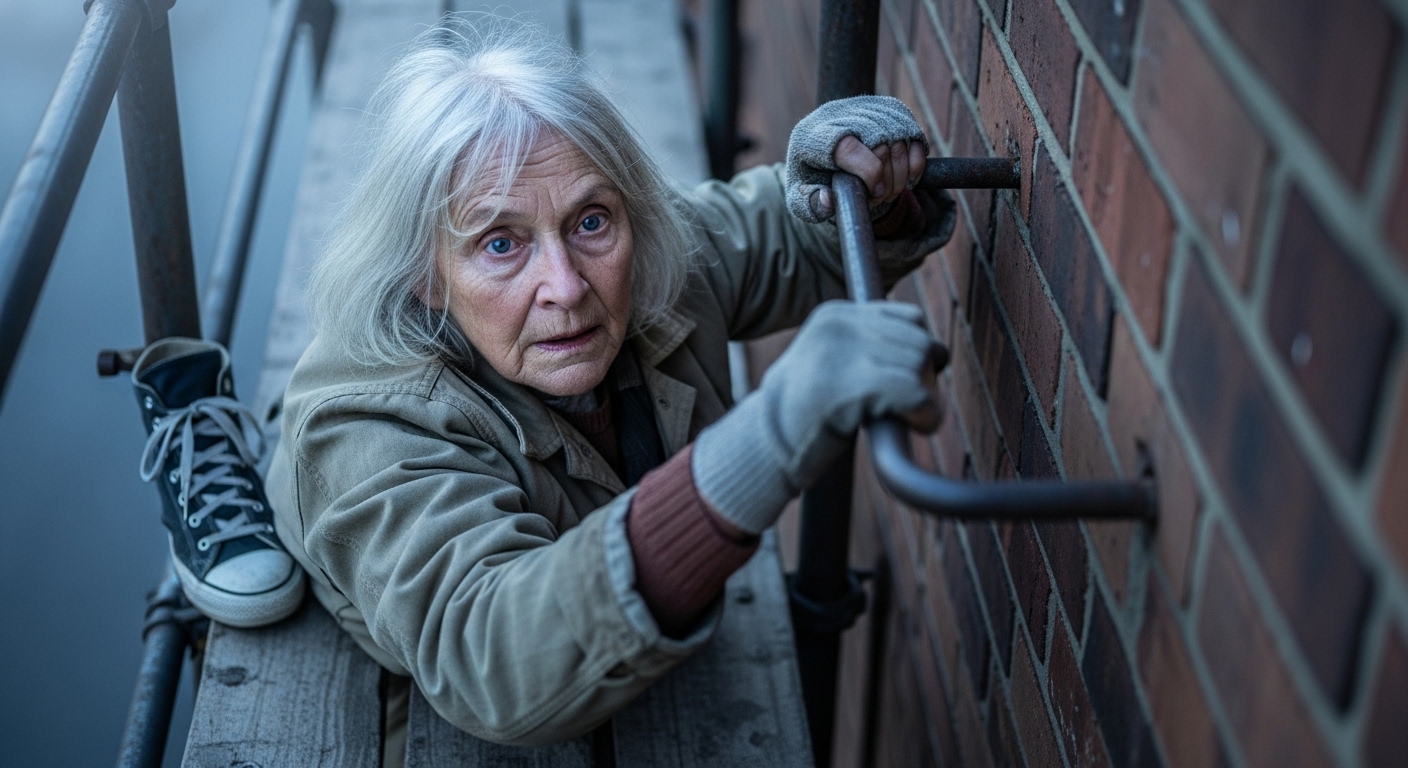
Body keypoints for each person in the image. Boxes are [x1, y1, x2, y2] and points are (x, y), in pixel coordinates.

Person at [138, 14, 955, 757]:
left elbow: (774, 228)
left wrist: (857, 179)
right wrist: (771, 436)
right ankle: (222, 450)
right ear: (428, 272)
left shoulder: (637, 252)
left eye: (591, 220)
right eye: (501, 244)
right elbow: (491, 659)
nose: (565, 285)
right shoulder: (369, 426)